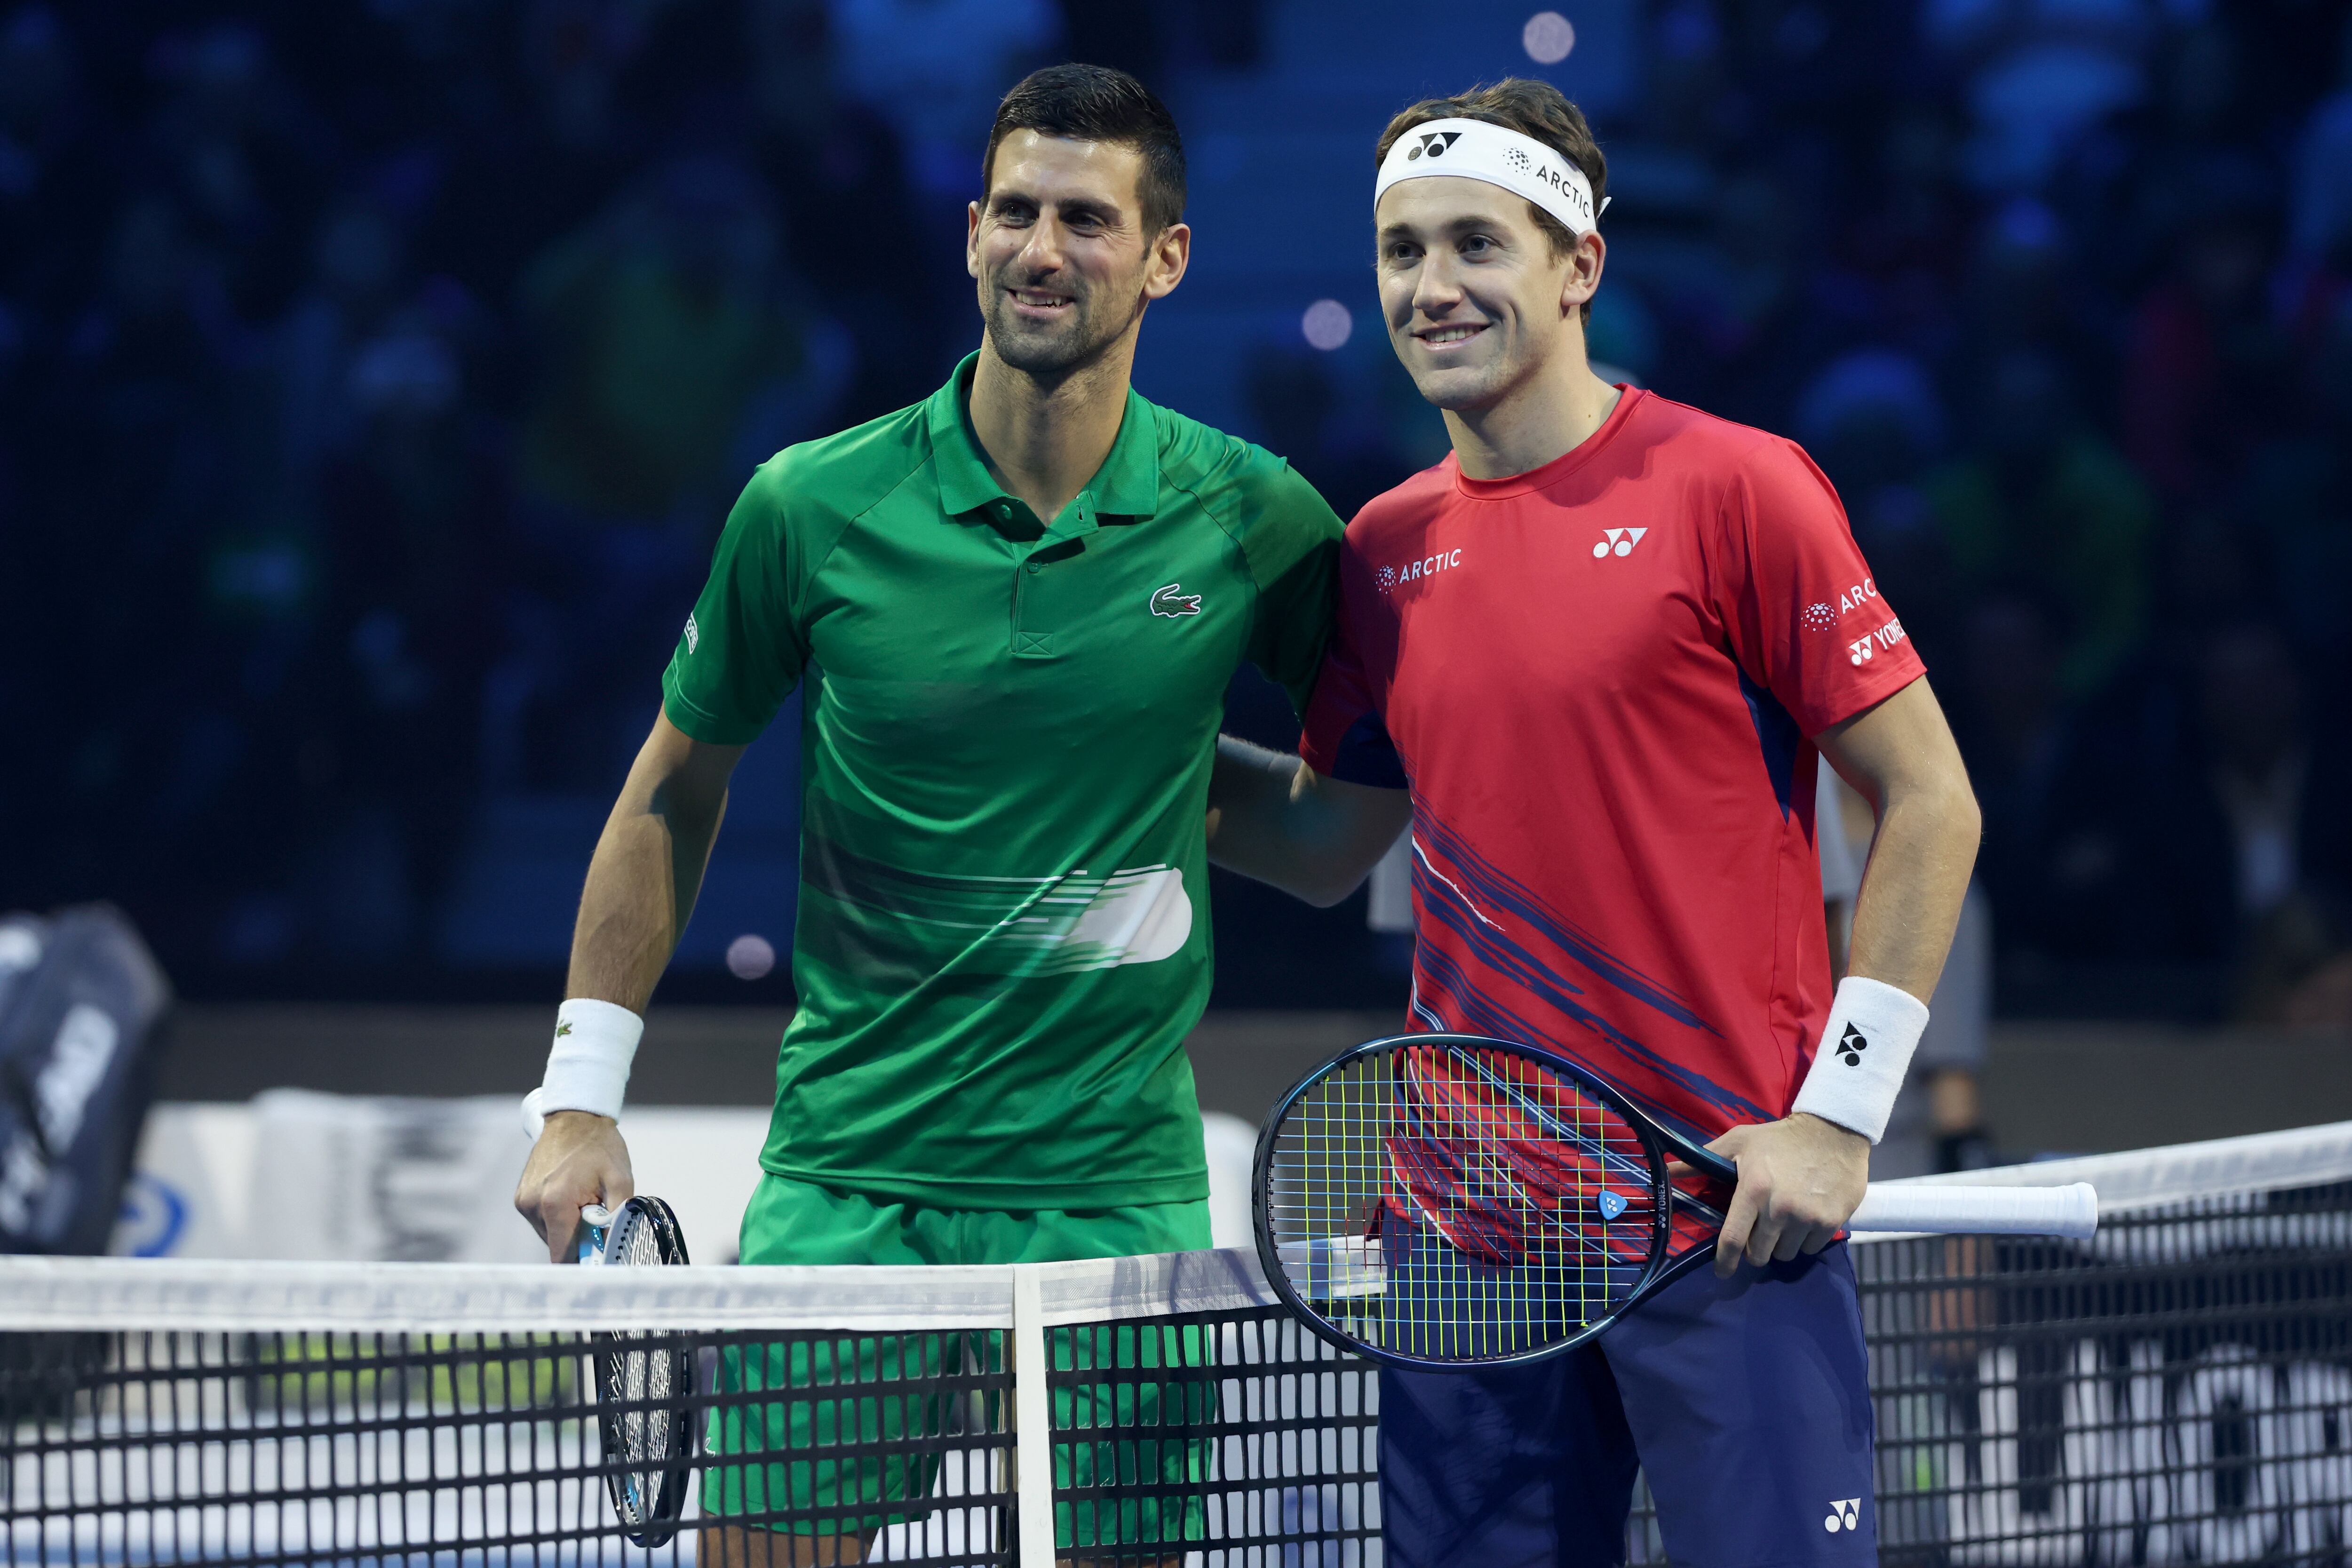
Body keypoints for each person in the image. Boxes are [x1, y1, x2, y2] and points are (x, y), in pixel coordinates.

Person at [512, 64, 1343, 1568]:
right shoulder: (811, 505)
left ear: (1165, 257)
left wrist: (1171, 790)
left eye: (1087, 219)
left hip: (1112, 1195)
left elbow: (1337, 837)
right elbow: (672, 789)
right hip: (850, 1179)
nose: (1042, 249)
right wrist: (579, 1095)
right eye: (1015, 211)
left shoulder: (1254, 519)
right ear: (968, 235)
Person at [1205, 80, 1981, 1566]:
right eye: (1402, 251)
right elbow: (1320, 846)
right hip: (1468, 1244)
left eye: (1478, 245)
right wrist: (1091, 751)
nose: (1433, 288)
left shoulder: (1735, 488)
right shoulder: (1384, 551)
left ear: (1579, 268)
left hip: (1725, 1215)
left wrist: (1839, 1116)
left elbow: (1933, 802)